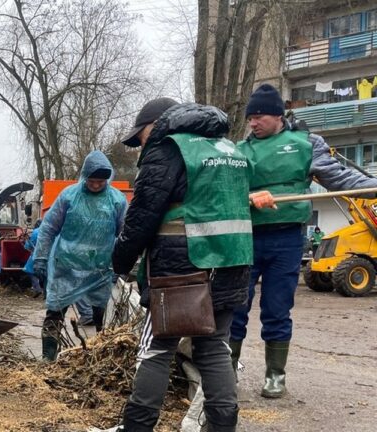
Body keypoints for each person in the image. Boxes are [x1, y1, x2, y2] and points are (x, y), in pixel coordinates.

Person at [111, 98, 278, 432]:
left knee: (157, 347)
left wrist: (119, 261)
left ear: (158, 124)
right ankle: (221, 427)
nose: (139, 145)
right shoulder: (229, 150)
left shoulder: (169, 150)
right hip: (232, 262)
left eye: (140, 136)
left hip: (180, 266)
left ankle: (137, 427)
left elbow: (141, 217)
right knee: (215, 346)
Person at [230, 83, 377, 399]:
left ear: (278, 116)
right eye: (250, 118)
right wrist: (248, 196)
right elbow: (223, 193)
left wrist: (374, 187)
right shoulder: (239, 151)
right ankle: (226, 370)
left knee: (277, 308)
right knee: (235, 306)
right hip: (246, 238)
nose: (253, 123)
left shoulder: (305, 144)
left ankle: (275, 375)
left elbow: (342, 179)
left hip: (287, 239)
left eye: (259, 117)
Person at [34, 150, 127, 362]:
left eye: (101, 182)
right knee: (55, 312)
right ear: (85, 177)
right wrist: (40, 258)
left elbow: (124, 235)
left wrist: (121, 265)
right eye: (92, 181)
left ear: (108, 179)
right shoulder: (69, 196)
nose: (96, 185)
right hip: (66, 266)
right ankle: (48, 359)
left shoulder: (117, 201)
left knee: (100, 317)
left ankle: (101, 359)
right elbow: (48, 229)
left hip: (99, 269)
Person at [22, 219, 43, 298]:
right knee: (45, 273)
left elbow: (29, 245)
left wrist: (26, 244)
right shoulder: (50, 230)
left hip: (37, 255)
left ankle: (37, 289)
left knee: (29, 270)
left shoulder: (36, 232)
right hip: (49, 255)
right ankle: (47, 293)